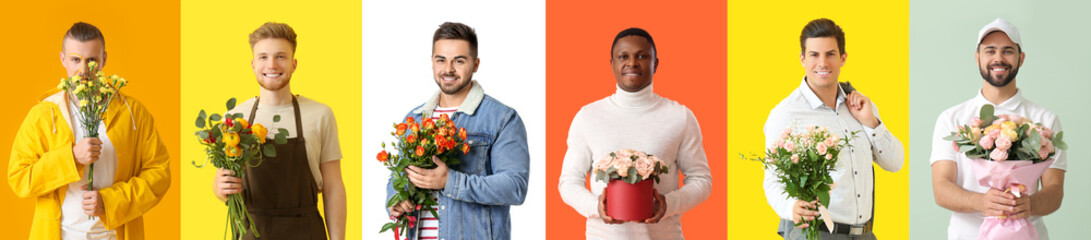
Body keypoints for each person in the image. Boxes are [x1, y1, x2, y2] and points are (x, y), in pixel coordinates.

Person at [7, 21, 171, 240]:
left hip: (115, 235)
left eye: (91, 60)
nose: (83, 70)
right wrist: (72, 157)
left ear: (103, 59)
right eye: (76, 59)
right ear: (62, 59)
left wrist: (110, 202)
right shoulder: (43, 115)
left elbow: (159, 173)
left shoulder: (134, 113)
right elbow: (19, 178)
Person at [558, 27, 713, 240]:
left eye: (642, 56)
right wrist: (596, 207)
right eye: (623, 56)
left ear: (655, 63)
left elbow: (702, 179)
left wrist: (669, 204)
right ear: (612, 64)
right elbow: (568, 182)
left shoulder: (680, 116)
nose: (632, 63)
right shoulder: (588, 117)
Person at [385, 22, 530, 240]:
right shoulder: (414, 119)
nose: (448, 69)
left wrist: (450, 182)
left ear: (476, 64)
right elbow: (398, 176)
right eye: (440, 60)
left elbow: (514, 187)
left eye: (459, 61)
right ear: (432, 62)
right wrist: (396, 199)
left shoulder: (502, 118)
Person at [763, 18, 904, 240]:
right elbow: (772, 179)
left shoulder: (860, 106)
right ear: (802, 59)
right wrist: (791, 207)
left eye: (830, 54)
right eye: (814, 55)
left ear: (843, 58)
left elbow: (895, 163)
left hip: (865, 234)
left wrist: (871, 123)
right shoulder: (786, 114)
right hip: (817, 234)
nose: (823, 63)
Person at [930, 18, 1065, 240]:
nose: (998, 58)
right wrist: (981, 202)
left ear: (1021, 59)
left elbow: (1055, 191)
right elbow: (941, 187)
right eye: (990, 51)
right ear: (977, 58)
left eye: (1008, 51)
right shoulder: (951, 119)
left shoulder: (1045, 120)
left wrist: (1029, 204)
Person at [211, 22, 347, 240]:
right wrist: (219, 187)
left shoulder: (321, 114)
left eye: (280, 56)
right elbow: (225, 188)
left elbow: (333, 187)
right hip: (251, 233)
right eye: (263, 57)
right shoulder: (235, 118)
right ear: (253, 65)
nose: (272, 64)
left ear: (293, 64)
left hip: (307, 232)